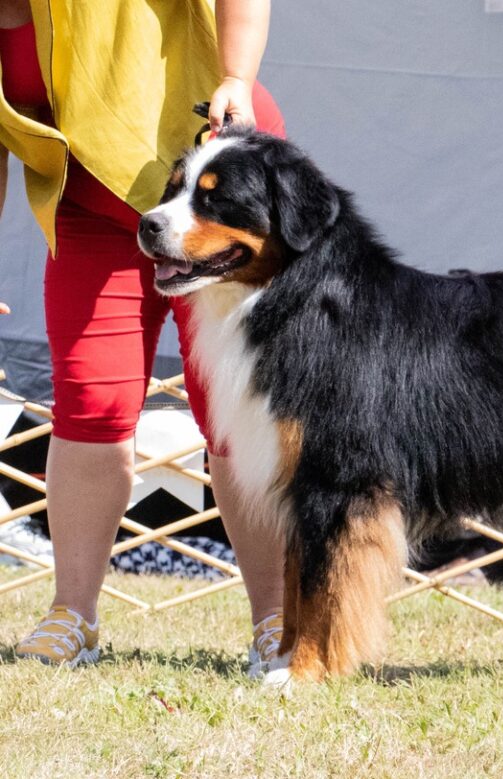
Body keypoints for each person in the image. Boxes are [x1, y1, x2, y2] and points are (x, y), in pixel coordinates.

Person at [0, 0, 285, 674]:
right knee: (89, 403)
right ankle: (73, 616)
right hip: (91, 205)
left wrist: (237, 76)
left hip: (215, 192)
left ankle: (279, 621)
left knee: (235, 412)